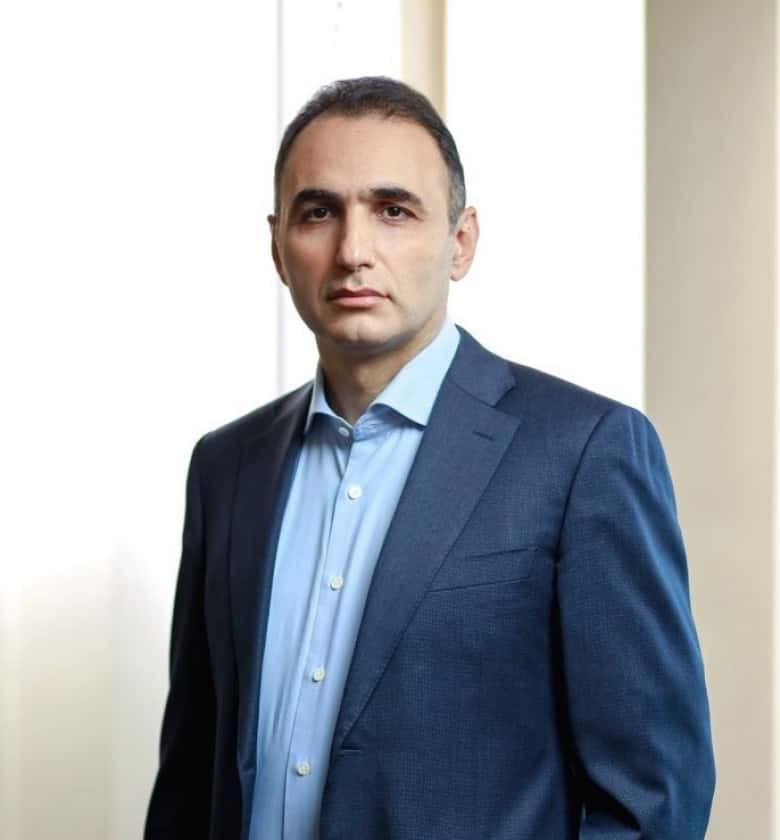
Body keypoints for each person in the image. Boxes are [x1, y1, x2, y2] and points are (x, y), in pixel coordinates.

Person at [144, 76, 715, 840]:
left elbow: (655, 802)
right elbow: (190, 780)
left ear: (460, 242)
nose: (353, 251)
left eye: (393, 211)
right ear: (278, 246)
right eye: (319, 212)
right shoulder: (226, 468)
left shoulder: (583, 452)